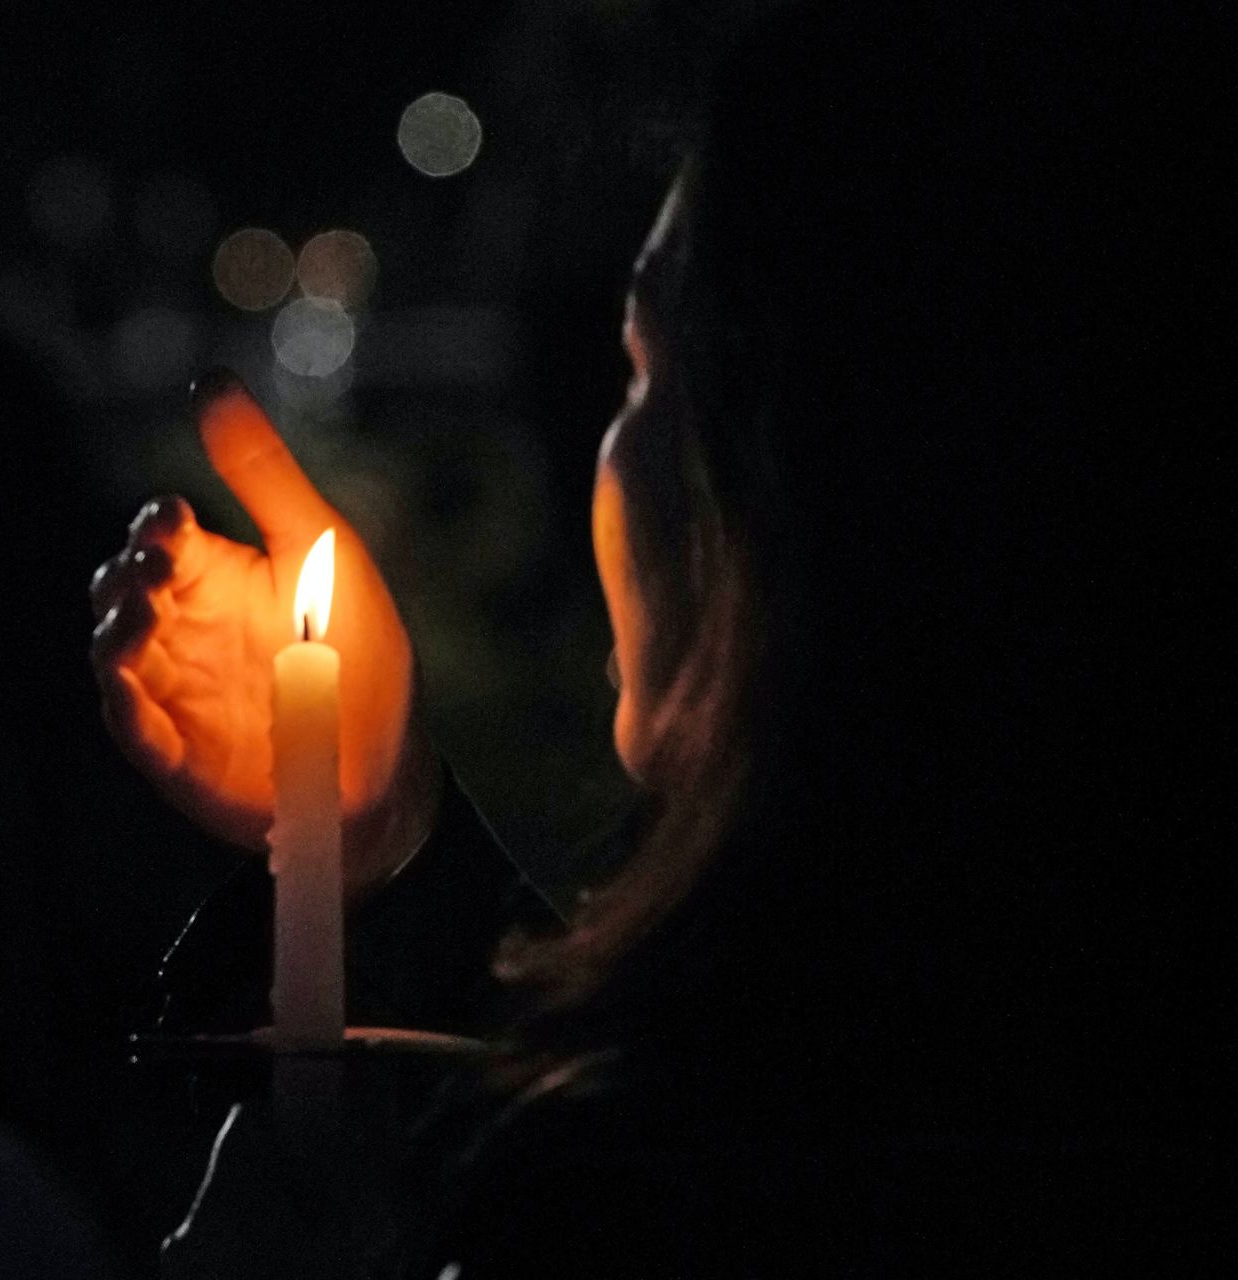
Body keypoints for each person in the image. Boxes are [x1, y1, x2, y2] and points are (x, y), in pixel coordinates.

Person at [90, 1, 1208, 1273]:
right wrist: (388, 831)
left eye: (634, 369)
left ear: (789, 469)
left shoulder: (739, 1152)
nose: (595, 458)